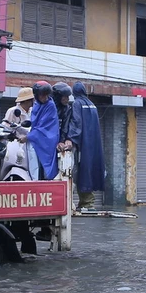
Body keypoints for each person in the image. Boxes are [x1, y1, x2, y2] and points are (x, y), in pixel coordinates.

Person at [69, 82, 105, 210]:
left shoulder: (77, 104)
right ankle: (88, 202)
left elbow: (76, 123)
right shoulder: (92, 105)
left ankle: (81, 202)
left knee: (77, 171)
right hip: (93, 143)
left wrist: (71, 139)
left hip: (82, 144)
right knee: (88, 170)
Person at [25, 81, 60, 180]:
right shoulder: (36, 105)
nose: (44, 98)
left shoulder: (50, 105)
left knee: (45, 168)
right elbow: (34, 123)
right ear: (36, 96)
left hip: (47, 140)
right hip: (36, 138)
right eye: (42, 95)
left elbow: (44, 127)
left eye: (46, 95)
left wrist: (28, 136)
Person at [53, 82, 77, 151]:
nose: (68, 99)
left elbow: (66, 126)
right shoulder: (49, 108)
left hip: (62, 143)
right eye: (65, 96)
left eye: (68, 96)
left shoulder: (67, 109)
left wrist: (64, 140)